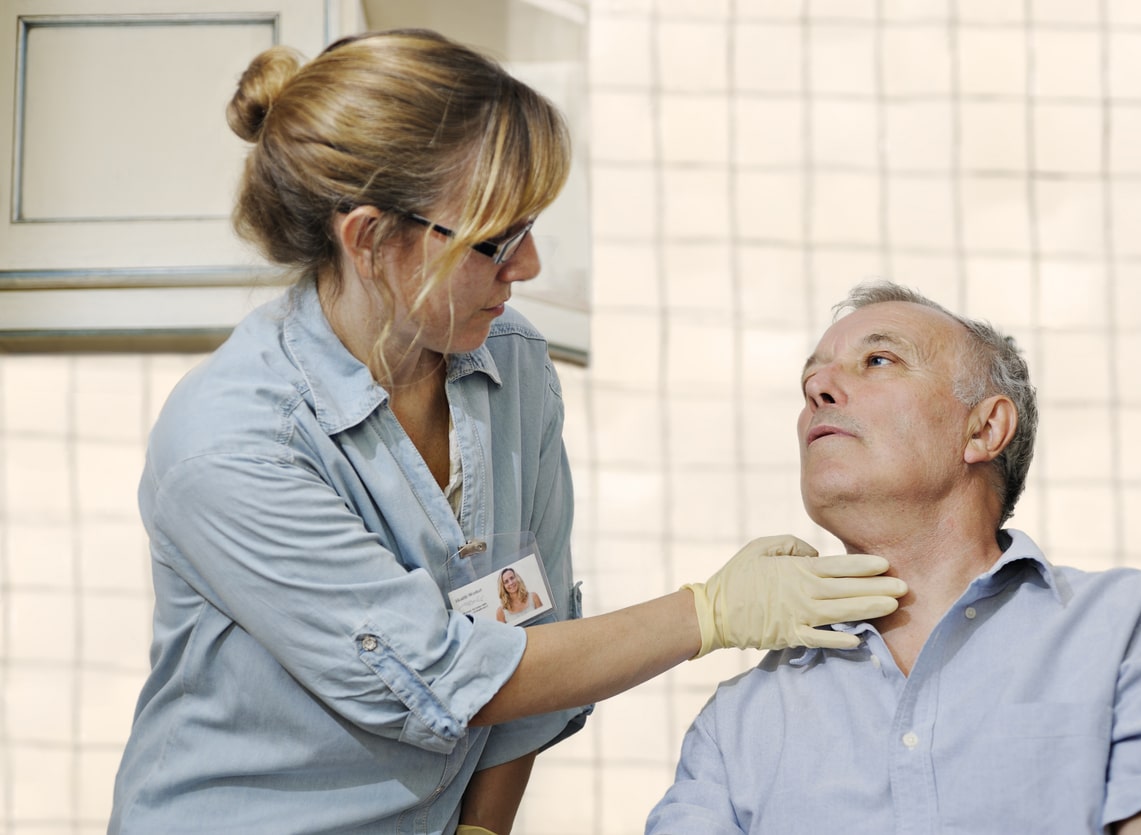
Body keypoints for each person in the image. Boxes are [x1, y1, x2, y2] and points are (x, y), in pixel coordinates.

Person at [107, 30, 908, 835]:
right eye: (492, 240)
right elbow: (441, 676)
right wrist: (708, 613)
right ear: (369, 240)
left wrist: (484, 828)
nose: (524, 267)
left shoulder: (509, 362)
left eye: (531, 228)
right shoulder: (233, 442)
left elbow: (532, 630)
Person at [646, 280, 1141, 834]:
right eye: (811, 380)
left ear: (984, 430)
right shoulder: (736, 724)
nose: (817, 390)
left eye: (878, 360)